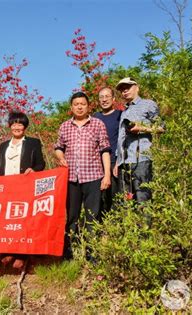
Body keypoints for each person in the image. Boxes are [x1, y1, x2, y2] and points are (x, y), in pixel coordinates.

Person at [0, 111, 46, 269]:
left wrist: (33, 170)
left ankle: (22, 254)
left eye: (20, 124)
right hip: (6, 188)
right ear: (10, 126)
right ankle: (9, 250)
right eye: (14, 124)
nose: (17, 127)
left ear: (25, 126)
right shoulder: (4, 145)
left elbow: (41, 164)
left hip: (25, 187)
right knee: (7, 220)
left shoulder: (33, 143)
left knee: (22, 220)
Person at [55, 91, 111, 261]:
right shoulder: (65, 126)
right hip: (71, 179)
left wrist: (107, 175)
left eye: (83, 104)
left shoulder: (97, 124)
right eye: (76, 104)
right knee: (71, 216)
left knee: (92, 217)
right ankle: (69, 253)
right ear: (71, 107)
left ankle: (92, 254)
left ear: (88, 106)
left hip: (93, 177)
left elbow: (105, 150)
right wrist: (60, 157)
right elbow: (58, 147)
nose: (79, 107)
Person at [114, 77, 164, 203]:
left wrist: (141, 128)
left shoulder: (148, 104)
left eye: (128, 87)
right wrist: (117, 162)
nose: (125, 91)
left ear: (137, 87)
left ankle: (145, 224)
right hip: (124, 163)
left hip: (141, 160)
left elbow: (162, 128)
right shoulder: (124, 111)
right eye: (122, 89)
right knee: (126, 203)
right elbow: (121, 138)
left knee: (143, 199)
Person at [93, 87, 122, 216]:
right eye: (101, 97)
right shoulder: (95, 117)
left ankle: (115, 226)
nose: (104, 100)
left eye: (107, 97)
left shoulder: (120, 115)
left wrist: (119, 161)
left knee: (115, 196)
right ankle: (101, 228)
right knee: (99, 198)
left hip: (114, 161)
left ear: (113, 99)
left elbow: (124, 139)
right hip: (96, 163)